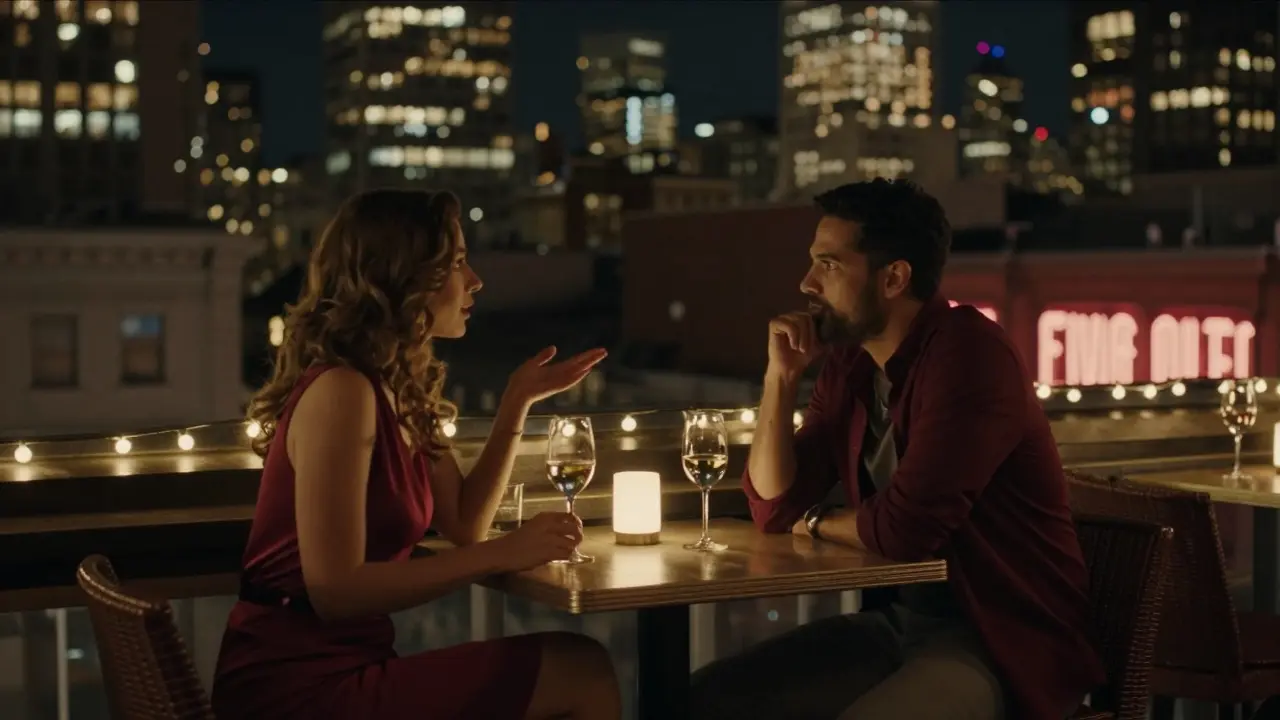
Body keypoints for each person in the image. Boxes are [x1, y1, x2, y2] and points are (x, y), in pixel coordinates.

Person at [689, 179, 1104, 719]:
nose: (807, 282)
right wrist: (780, 378)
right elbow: (774, 504)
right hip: (903, 624)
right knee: (702, 702)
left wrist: (815, 523)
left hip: (1002, 642)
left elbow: (907, 530)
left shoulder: (970, 355)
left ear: (894, 277)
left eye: (829, 265)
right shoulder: (852, 363)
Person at [211, 189, 622, 720]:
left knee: (580, 666)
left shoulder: (397, 390)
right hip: (293, 685)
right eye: (455, 263)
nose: (474, 280)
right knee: (581, 670)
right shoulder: (344, 391)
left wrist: (517, 402)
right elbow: (335, 590)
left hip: (351, 665)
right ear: (403, 278)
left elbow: (465, 524)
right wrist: (504, 552)